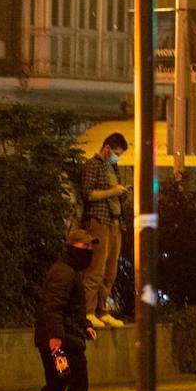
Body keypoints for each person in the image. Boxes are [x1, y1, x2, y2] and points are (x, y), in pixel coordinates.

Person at [17, 229, 102, 391]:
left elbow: (71, 309)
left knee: (58, 382)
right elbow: (53, 307)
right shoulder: (64, 273)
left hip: (61, 338)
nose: (89, 252)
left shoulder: (69, 271)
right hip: (63, 342)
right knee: (78, 384)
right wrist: (56, 339)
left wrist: (85, 325)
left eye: (91, 248)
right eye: (85, 247)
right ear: (71, 247)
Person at [80, 133, 130, 329]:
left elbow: (113, 194)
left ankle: (102, 310)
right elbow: (88, 194)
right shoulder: (92, 165)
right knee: (96, 269)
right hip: (98, 219)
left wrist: (122, 193)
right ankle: (87, 312)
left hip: (115, 221)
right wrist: (113, 192)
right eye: (117, 153)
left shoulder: (113, 168)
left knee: (110, 271)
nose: (117, 157)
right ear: (107, 148)